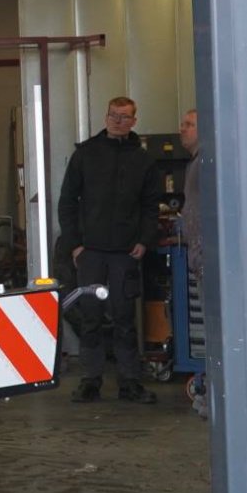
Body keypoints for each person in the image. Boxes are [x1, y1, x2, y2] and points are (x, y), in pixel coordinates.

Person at [58, 95, 166, 404]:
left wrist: (144, 240)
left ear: (134, 121)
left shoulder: (143, 161)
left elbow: (151, 206)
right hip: (90, 252)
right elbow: (67, 202)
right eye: (113, 116)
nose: (118, 121)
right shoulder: (85, 155)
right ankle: (90, 380)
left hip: (124, 253)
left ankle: (129, 382)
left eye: (125, 117)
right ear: (106, 117)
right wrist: (75, 245)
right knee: (90, 317)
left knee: (124, 318)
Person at [179, 109, 209, 418]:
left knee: (216, 330)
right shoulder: (196, 163)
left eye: (189, 125)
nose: (182, 129)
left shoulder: (206, 164)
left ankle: (214, 397)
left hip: (208, 262)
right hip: (201, 260)